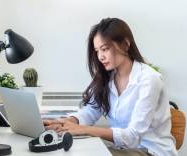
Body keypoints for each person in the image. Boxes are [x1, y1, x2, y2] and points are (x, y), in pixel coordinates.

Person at [43, 18, 178, 156]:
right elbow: (92, 109)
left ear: (125, 45)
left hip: (152, 151)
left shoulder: (149, 80)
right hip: (124, 149)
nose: (100, 56)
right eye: (97, 51)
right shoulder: (108, 77)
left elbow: (133, 137)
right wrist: (68, 122)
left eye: (104, 49)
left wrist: (82, 129)